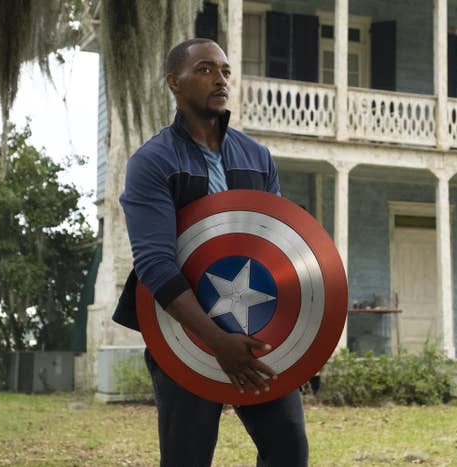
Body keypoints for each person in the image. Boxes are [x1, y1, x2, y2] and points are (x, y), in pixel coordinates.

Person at [113, 38, 309, 467]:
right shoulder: (153, 161)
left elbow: (275, 250)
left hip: (256, 332)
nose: (219, 79)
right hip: (181, 334)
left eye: (224, 71)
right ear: (174, 83)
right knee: (187, 459)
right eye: (204, 69)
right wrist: (217, 340)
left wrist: (302, 341)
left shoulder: (257, 157)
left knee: (289, 451)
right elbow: (155, 265)